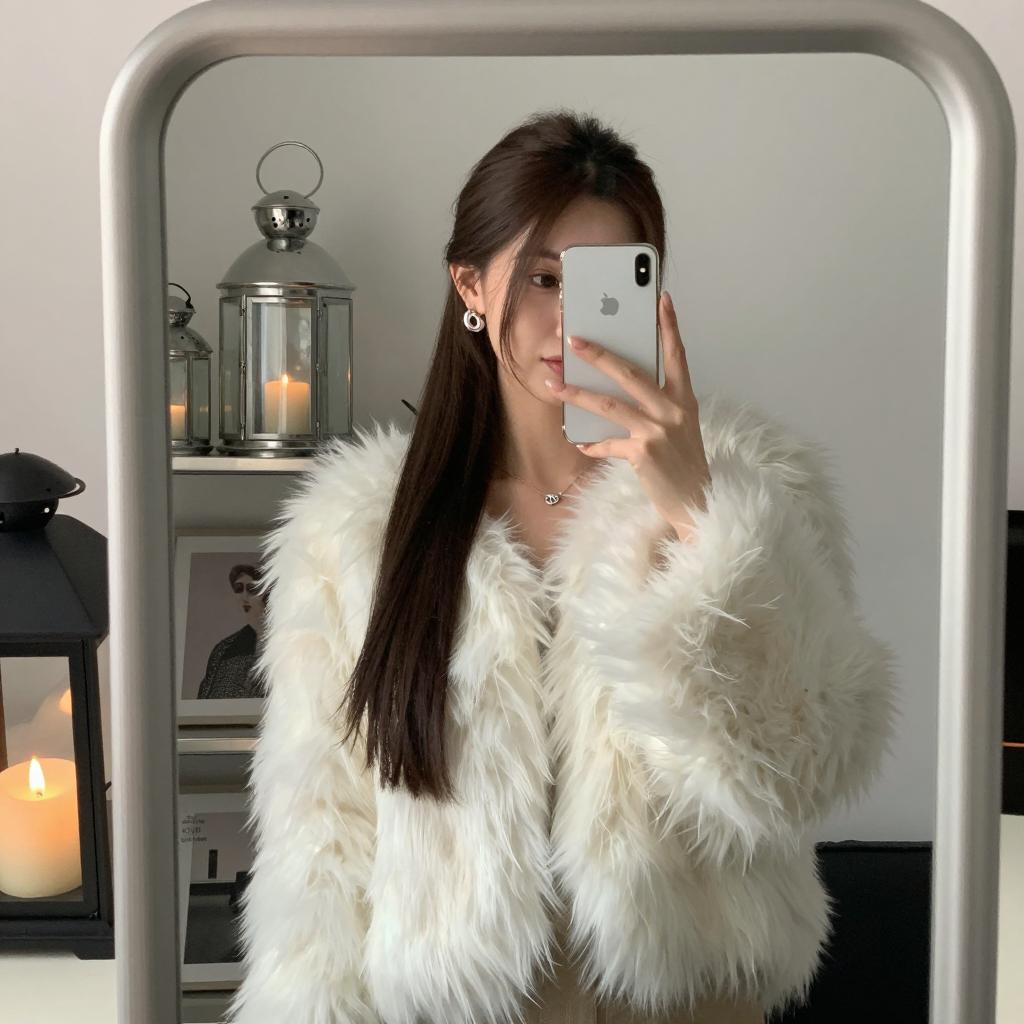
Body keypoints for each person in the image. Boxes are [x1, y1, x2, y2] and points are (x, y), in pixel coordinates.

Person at [227, 110, 900, 1024]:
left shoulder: (757, 489)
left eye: (607, 281)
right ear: (471, 283)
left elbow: (800, 768)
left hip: (690, 1002)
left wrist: (700, 517)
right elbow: (322, 838)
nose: (571, 318)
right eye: (544, 278)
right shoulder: (360, 529)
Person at [196, 564, 268, 700]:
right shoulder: (224, 650)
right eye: (239, 589)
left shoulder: (287, 644)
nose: (244, 597)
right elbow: (203, 701)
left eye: (252, 589)